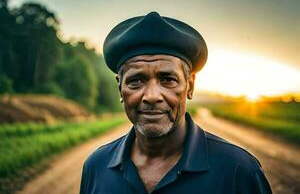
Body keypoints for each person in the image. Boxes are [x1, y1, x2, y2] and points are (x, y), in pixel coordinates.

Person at [80, 12, 272, 194]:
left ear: (190, 86)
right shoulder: (95, 167)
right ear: (120, 88)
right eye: (136, 81)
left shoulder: (238, 170)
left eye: (167, 79)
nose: (152, 96)